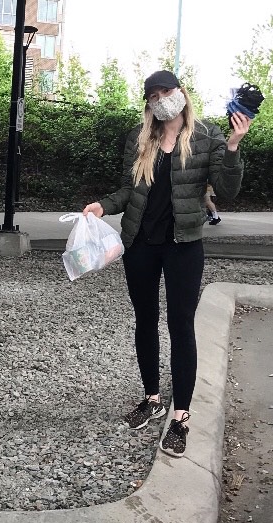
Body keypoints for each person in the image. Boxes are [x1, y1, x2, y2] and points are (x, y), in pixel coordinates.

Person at [82, 70, 251, 457]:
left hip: (183, 245)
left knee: (181, 325)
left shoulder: (206, 137)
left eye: (166, 91)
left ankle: (181, 417)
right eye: (154, 94)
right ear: (148, 102)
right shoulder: (140, 138)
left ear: (181, 93)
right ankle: (152, 398)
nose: (161, 99)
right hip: (141, 242)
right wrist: (102, 206)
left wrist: (234, 147)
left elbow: (226, 191)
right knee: (145, 320)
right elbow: (128, 190)